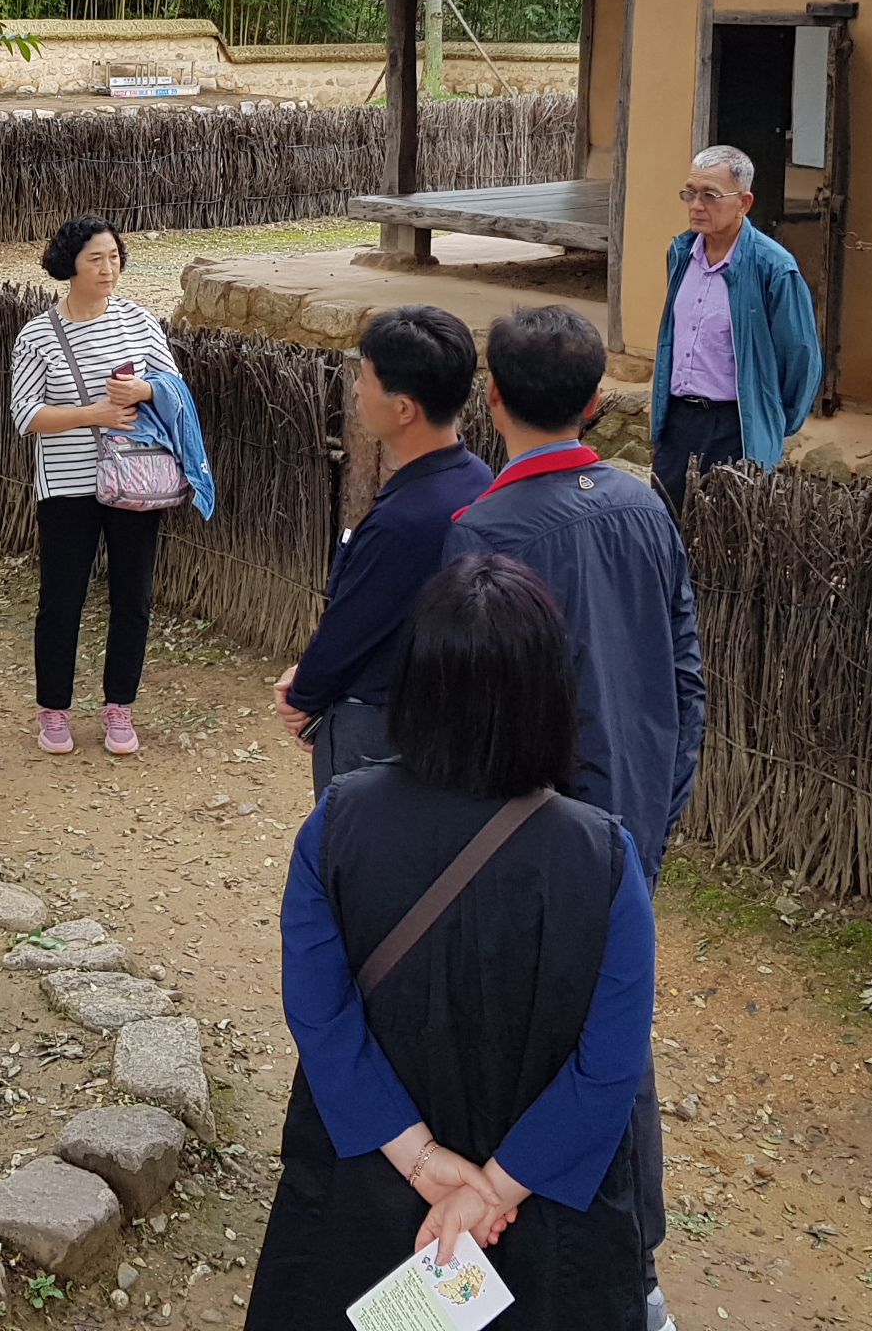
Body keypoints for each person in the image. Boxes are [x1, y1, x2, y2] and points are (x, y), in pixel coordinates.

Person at [251, 553, 655, 1330]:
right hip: (545, 1227)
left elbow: (319, 1015)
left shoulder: (337, 823)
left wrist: (421, 1160)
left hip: (367, 1191)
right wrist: (495, 1189)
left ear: (418, 684)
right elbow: (611, 1067)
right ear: (551, 691)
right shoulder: (603, 857)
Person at [447, 302, 698, 1319]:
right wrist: (656, 813)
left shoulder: (485, 530)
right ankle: (630, 1272)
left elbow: (464, 715)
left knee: (538, 1043)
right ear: (598, 402)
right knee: (612, 1037)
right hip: (627, 821)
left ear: (490, 397)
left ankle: (585, 1272)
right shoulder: (643, 504)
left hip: (530, 837)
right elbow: (686, 677)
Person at [274, 305, 494, 799]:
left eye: (367, 378)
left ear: (403, 408)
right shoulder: (480, 480)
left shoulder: (405, 520)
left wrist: (304, 692)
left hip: (381, 724)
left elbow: (354, 625)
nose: (355, 389)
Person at [9, 214, 181, 757]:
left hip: (135, 479)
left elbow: (172, 388)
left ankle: (119, 706)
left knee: (133, 597)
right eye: (95, 259)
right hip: (66, 483)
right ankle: (54, 709)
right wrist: (95, 414)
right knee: (61, 600)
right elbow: (26, 415)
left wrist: (145, 389)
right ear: (69, 266)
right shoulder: (37, 334)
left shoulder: (138, 321)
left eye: (114, 257)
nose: (109, 268)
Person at [651, 144, 822, 516]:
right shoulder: (681, 252)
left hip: (735, 426)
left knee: (729, 535)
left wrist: (772, 421)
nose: (696, 205)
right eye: (690, 193)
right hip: (678, 422)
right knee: (664, 526)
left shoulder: (774, 268)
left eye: (710, 196)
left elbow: (801, 358)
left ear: (743, 203)